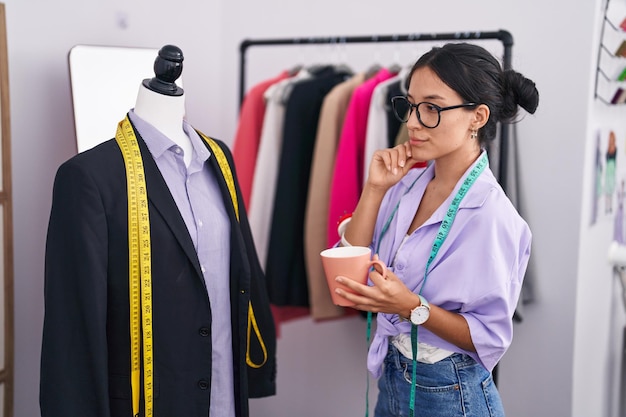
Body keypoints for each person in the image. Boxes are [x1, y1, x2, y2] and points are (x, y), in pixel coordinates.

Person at [40, 45, 276, 417]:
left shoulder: (219, 160)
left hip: (224, 396)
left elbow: (243, 265)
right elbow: (72, 326)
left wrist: (259, 368)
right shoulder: (89, 178)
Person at [333, 42, 538, 417]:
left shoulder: (492, 216)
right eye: (411, 105)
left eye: (431, 108)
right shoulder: (406, 186)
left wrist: (411, 307)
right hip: (394, 377)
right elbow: (350, 268)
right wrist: (375, 188)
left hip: (451, 391)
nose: (412, 122)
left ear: (477, 116)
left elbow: (488, 338)